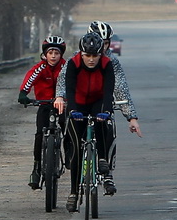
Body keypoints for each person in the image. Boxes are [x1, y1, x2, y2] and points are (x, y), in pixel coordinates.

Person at [55, 32, 141, 209]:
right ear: (81, 54)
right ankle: (73, 193)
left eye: (95, 55)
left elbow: (109, 90)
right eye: (88, 56)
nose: (92, 60)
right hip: (77, 103)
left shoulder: (107, 64)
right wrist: (72, 110)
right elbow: (69, 89)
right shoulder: (73, 63)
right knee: (78, 150)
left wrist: (107, 111)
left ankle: (102, 159)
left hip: (98, 100)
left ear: (101, 54)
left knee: (103, 122)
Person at [17, 35, 66, 191]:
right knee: (39, 134)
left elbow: (74, 82)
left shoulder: (66, 67)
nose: (53, 56)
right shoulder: (40, 67)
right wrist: (24, 93)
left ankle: (70, 154)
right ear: (45, 54)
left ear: (61, 55)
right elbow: (29, 79)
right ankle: (37, 167)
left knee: (69, 128)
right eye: (50, 53)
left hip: (63, 104)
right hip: (44, 104)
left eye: (56, 53)